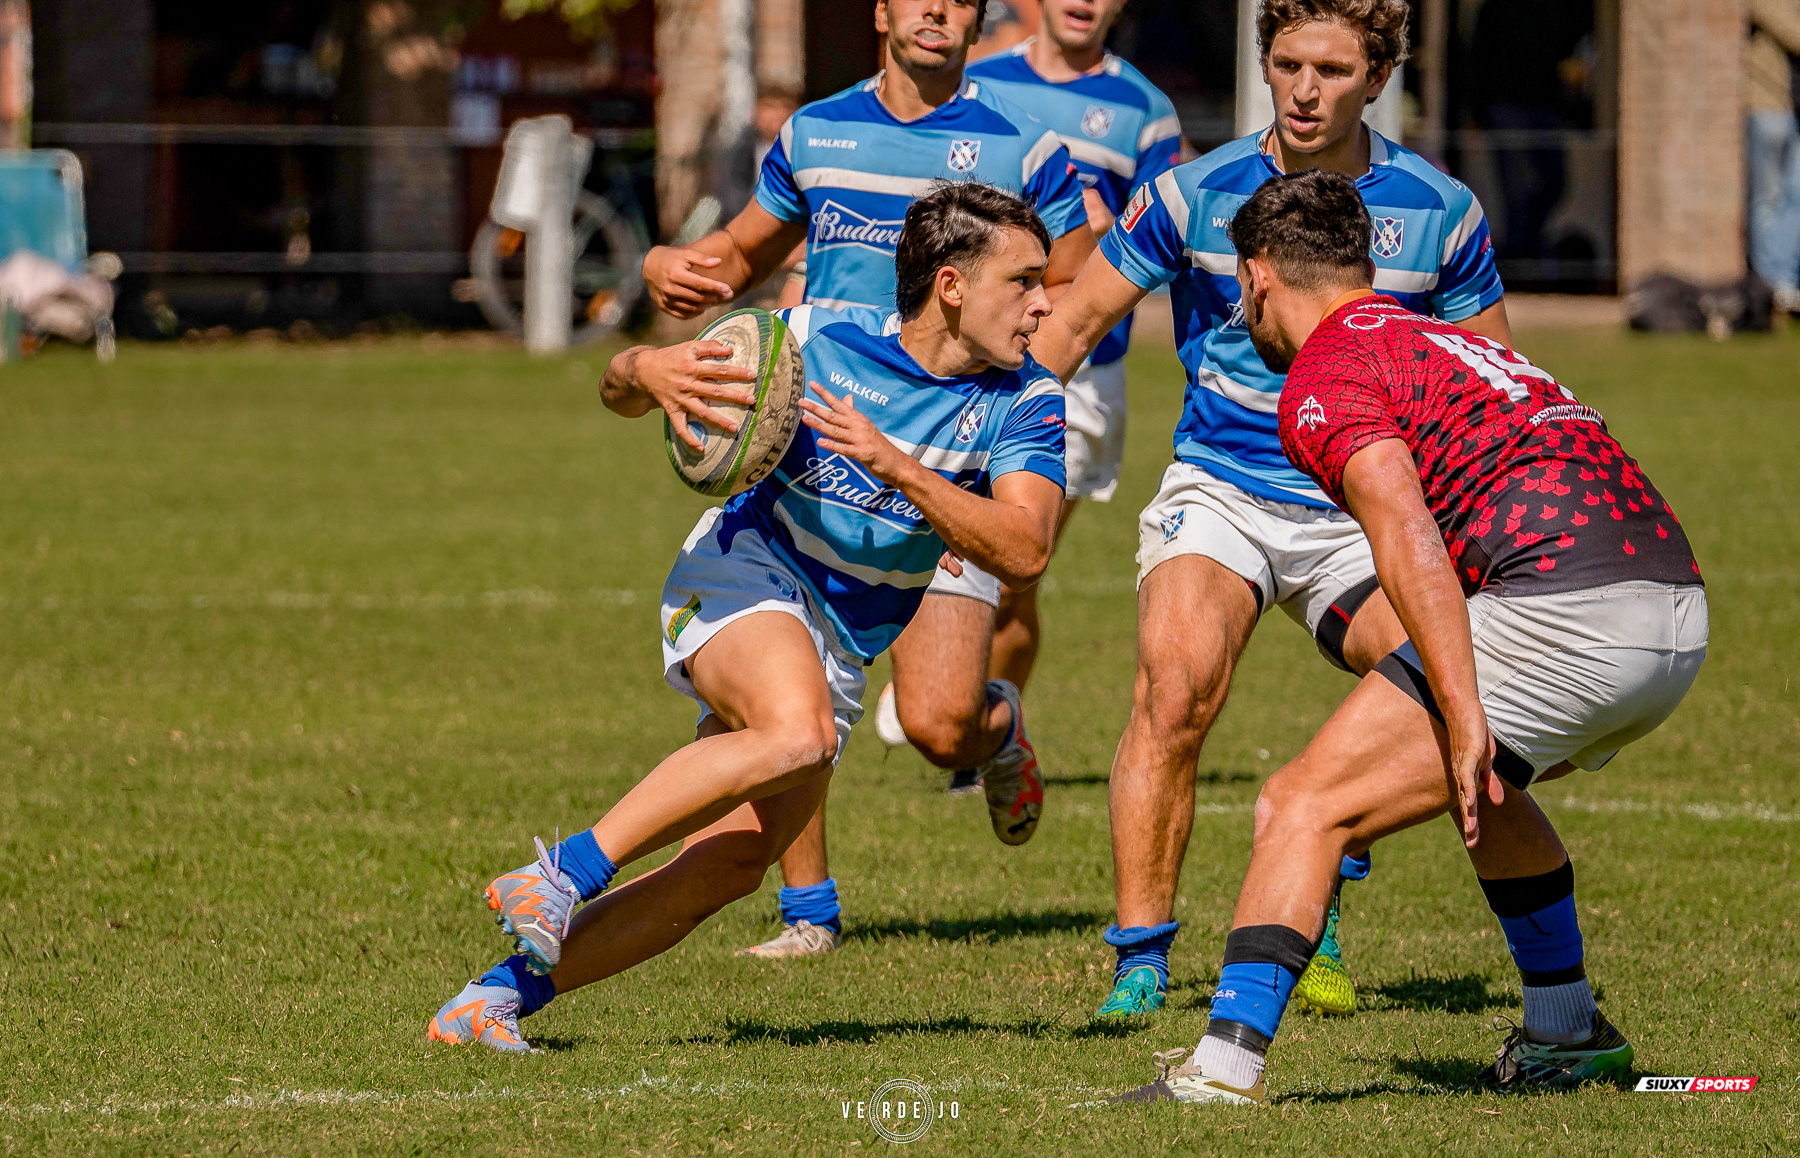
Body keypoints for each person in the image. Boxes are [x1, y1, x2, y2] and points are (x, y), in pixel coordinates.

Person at [427, 182, 1070, 1052]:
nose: (1044, 303)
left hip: (843, 640)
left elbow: (1026, 548)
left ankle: (491, 1001)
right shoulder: (813, 338)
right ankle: (559, 873)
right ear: (951, 285)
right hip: (746, 573)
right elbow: (619, 387)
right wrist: (646, 371)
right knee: (798, 734)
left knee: (731, 864)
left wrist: (902, 471)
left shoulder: (1027, 400)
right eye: (1024, 280)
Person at [1110, 168, 1705, 1104]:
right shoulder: (1444, 339)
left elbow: (1403, 531)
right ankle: (1567, 1033)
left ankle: (1219, 1073)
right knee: (1486, 787)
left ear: (1255, 278)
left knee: (1301, 806)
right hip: (1675, 610)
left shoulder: (1323, 374)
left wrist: (1463, 706)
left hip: (1566, 612)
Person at [1026, 0, 1512, 1021]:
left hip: (1361, 504)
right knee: (1173, 690)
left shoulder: (1440, 212)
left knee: (1430, 686)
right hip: (1225, 488)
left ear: (1377, 79)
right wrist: (992, 447)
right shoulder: (1191, 193)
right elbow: (1069, 326)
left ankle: (1319, 869)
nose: (1304, 89)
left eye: (1332, 70)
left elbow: (1491, 382)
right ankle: (1141, 961)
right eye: (1288, 64)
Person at [640, 0, 1093, 959]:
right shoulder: (815, 132)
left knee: (937, 725)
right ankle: (809, 911)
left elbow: (1074, 295)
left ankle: (996, 726)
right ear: (881, 8)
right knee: (792, 682)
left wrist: (996, 432)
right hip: (825, 444)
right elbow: (741, 255)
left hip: (946, 461)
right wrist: (673, 264)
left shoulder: (1028, 147)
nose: (936, 9)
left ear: (977, 15)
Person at [847, 0, 1174, 717]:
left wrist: (1092, 235)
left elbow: (1145, 246)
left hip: (1078, 370)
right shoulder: (986, 86)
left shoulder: (1146, 110)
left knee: (1012, 575)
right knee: (968, 553)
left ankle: (980, 728)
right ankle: (949, 703)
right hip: (961, 362)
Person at [1468, 0, 1594, 265]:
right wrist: (1475, 110)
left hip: (1547, 105)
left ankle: (1525, 249)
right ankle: (1520, 259)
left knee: (1555, 183)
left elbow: (1578, 40)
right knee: (1516, 189)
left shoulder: (1561, 9)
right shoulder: (1495, 9)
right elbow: (1477, 58)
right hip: (1505, 105)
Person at [1748, 0, 1800, 313]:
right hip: (1767, 106)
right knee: (1767, 199)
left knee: (1795, 195)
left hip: (1794, 108)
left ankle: (1785, 279)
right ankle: (1769, 285)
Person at [717, 86, 803, 222]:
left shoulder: (804, 151)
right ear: (756, 112)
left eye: (786, 107)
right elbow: (730, 195)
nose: (777, 115)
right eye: (769, 107)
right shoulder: (739, 151)